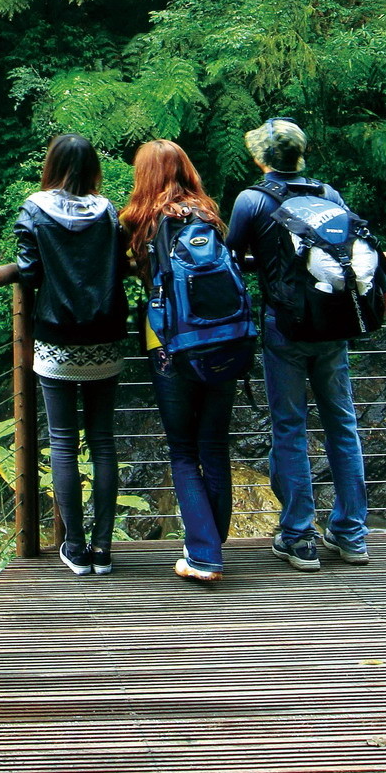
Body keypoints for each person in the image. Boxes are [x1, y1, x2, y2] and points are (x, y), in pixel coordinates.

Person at [226, 118, 386, 571]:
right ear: (300, 155)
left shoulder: (252, 200)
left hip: (284, 329)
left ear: (260, 158)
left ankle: (298, 537)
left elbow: (230, 258)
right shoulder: (328, 195)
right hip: (334, 326)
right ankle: (351, 534)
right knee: (342, 426)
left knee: (289, 428)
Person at [121, 139, 239, 585]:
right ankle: (209, 541)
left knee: (184, 451)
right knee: (213, 445)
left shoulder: (138, 220)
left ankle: (206, 555)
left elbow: (130, 268)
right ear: (186, 169)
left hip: (170, 344)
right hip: (224, 338)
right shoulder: (210, 214)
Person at [15, 133, 130, 576]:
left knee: (63, 441)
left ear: (52, 164)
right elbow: (117, 265)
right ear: (92, 168)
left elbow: (27, 272)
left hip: (57, 335)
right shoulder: (107, 212)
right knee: (102, 439)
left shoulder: (34, 208)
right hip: (104, 332)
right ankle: (103, 549)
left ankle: (74, 547)